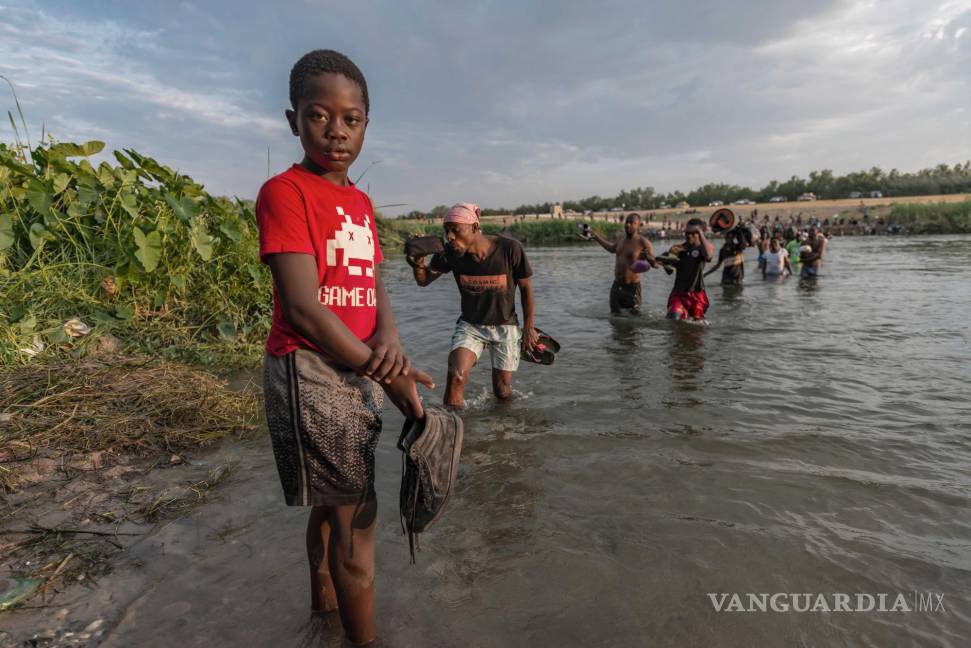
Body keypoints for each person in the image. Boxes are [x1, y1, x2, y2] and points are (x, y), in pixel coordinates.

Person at [255, 49, 434, 646]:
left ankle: (324, 615)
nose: (336, 131)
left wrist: (390, 342)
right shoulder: (285, 193)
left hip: (356, 364)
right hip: (309, 370)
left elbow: (373, 280)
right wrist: (385, 374)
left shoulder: (358, 200)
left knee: (332, 506)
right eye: (318, 116)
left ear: (366, 122)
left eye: (351, 119)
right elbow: (305, 307)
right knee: (357, 519)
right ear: (293, 121)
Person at [408, 203, 538, 408]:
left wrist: (529, 328)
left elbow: (526, 289)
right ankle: (453, 428)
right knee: (456, 374)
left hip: (506, 326)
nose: (450, 236)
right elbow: (424, 280)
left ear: (475, 228)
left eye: (455, 230)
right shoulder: (450, 253)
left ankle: (505, 427)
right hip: (471, 326)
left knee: (502, 392)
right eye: (446, 231)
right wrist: (418, 262)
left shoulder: (509, 249)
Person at [585, 213, 659, 314]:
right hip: (616, 286)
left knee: (634, 321)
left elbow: (656, 265)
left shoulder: (643, 242)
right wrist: (596, 238)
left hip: (632, 288)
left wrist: (647, 258)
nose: (628, 224)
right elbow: (612, 249)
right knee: (614, 319)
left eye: (632, 223)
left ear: (638, 225)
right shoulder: (621, 238)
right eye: (627, 222)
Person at [657, 218, 714, 320]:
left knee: (696, 327)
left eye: (693, 233)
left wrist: (700, 233)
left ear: (700, 233)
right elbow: (669, 271)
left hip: (697, 294)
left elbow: (709, 257)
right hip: (679, 293)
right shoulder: (679, 249)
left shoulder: (703, 247)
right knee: (673, 317)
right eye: (687, 232)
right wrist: (666, 260)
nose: (689, 235)